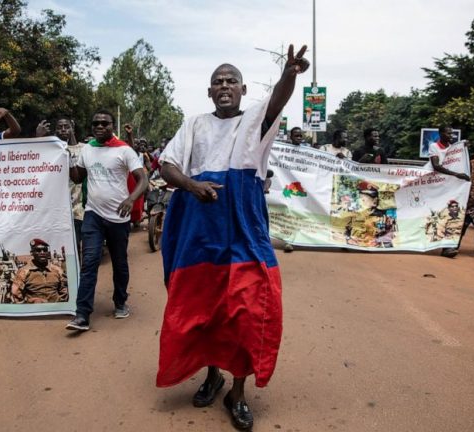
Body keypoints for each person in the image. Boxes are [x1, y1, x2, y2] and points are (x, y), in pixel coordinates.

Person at [156, 44, 309, 431]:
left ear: (242, 89)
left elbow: (276, 100)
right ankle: (212, 375)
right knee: (205, 310)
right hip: (200, 229)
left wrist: (289, 73)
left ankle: (237, 393)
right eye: (217, 82)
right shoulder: (193, 124)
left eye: (231, 82)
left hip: (243, 225)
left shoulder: (256, 119)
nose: (224, 87)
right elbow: (168, 165)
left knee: (249, 308)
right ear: (209, 92)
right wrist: (193, 185)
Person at [65, 109, 147, 331]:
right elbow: (78, 177)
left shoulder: (124, 151)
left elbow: (143, 179)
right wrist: (62, 156)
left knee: (119, 263)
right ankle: (82, 314)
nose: (100, 127)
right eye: (95, 123)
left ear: (112, 126)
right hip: (93, 215)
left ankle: (120, 302)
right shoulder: (88, 149)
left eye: (104, 123)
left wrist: (131, 199)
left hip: (118, 218)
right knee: (89, 261)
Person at [36, 117, 86, 258]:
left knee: (77, 247)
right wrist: (38, 138)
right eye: (59, 127)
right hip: (56, 209)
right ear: (54, 131)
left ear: (73, 128)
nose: (63, 130)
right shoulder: (50, 149)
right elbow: (34, 160)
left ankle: (79, 278)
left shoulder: (85, 148)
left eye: (67, 126)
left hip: (79, 208)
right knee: (61, 248)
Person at [428, 125, 471, 258]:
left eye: (451, 133)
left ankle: (448, 247)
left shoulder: (454, 149)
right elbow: (436, 166)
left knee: (452, 214)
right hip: (436, 187)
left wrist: (464, 150)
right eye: (447, 133)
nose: (450, 135)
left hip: (451, 188)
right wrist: (456, 174)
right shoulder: (434, 147)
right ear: (440, 134)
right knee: (436, 215)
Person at [10, 239, 68, 303]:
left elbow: (64, 291)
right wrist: (28, 303)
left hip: (55, 309)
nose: (42, 252)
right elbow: (16, 293)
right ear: (32, 253)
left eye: (45, 250)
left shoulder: (57, 270)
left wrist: (60, 305)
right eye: (38, 250)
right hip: (35, 311)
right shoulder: (24, 271)